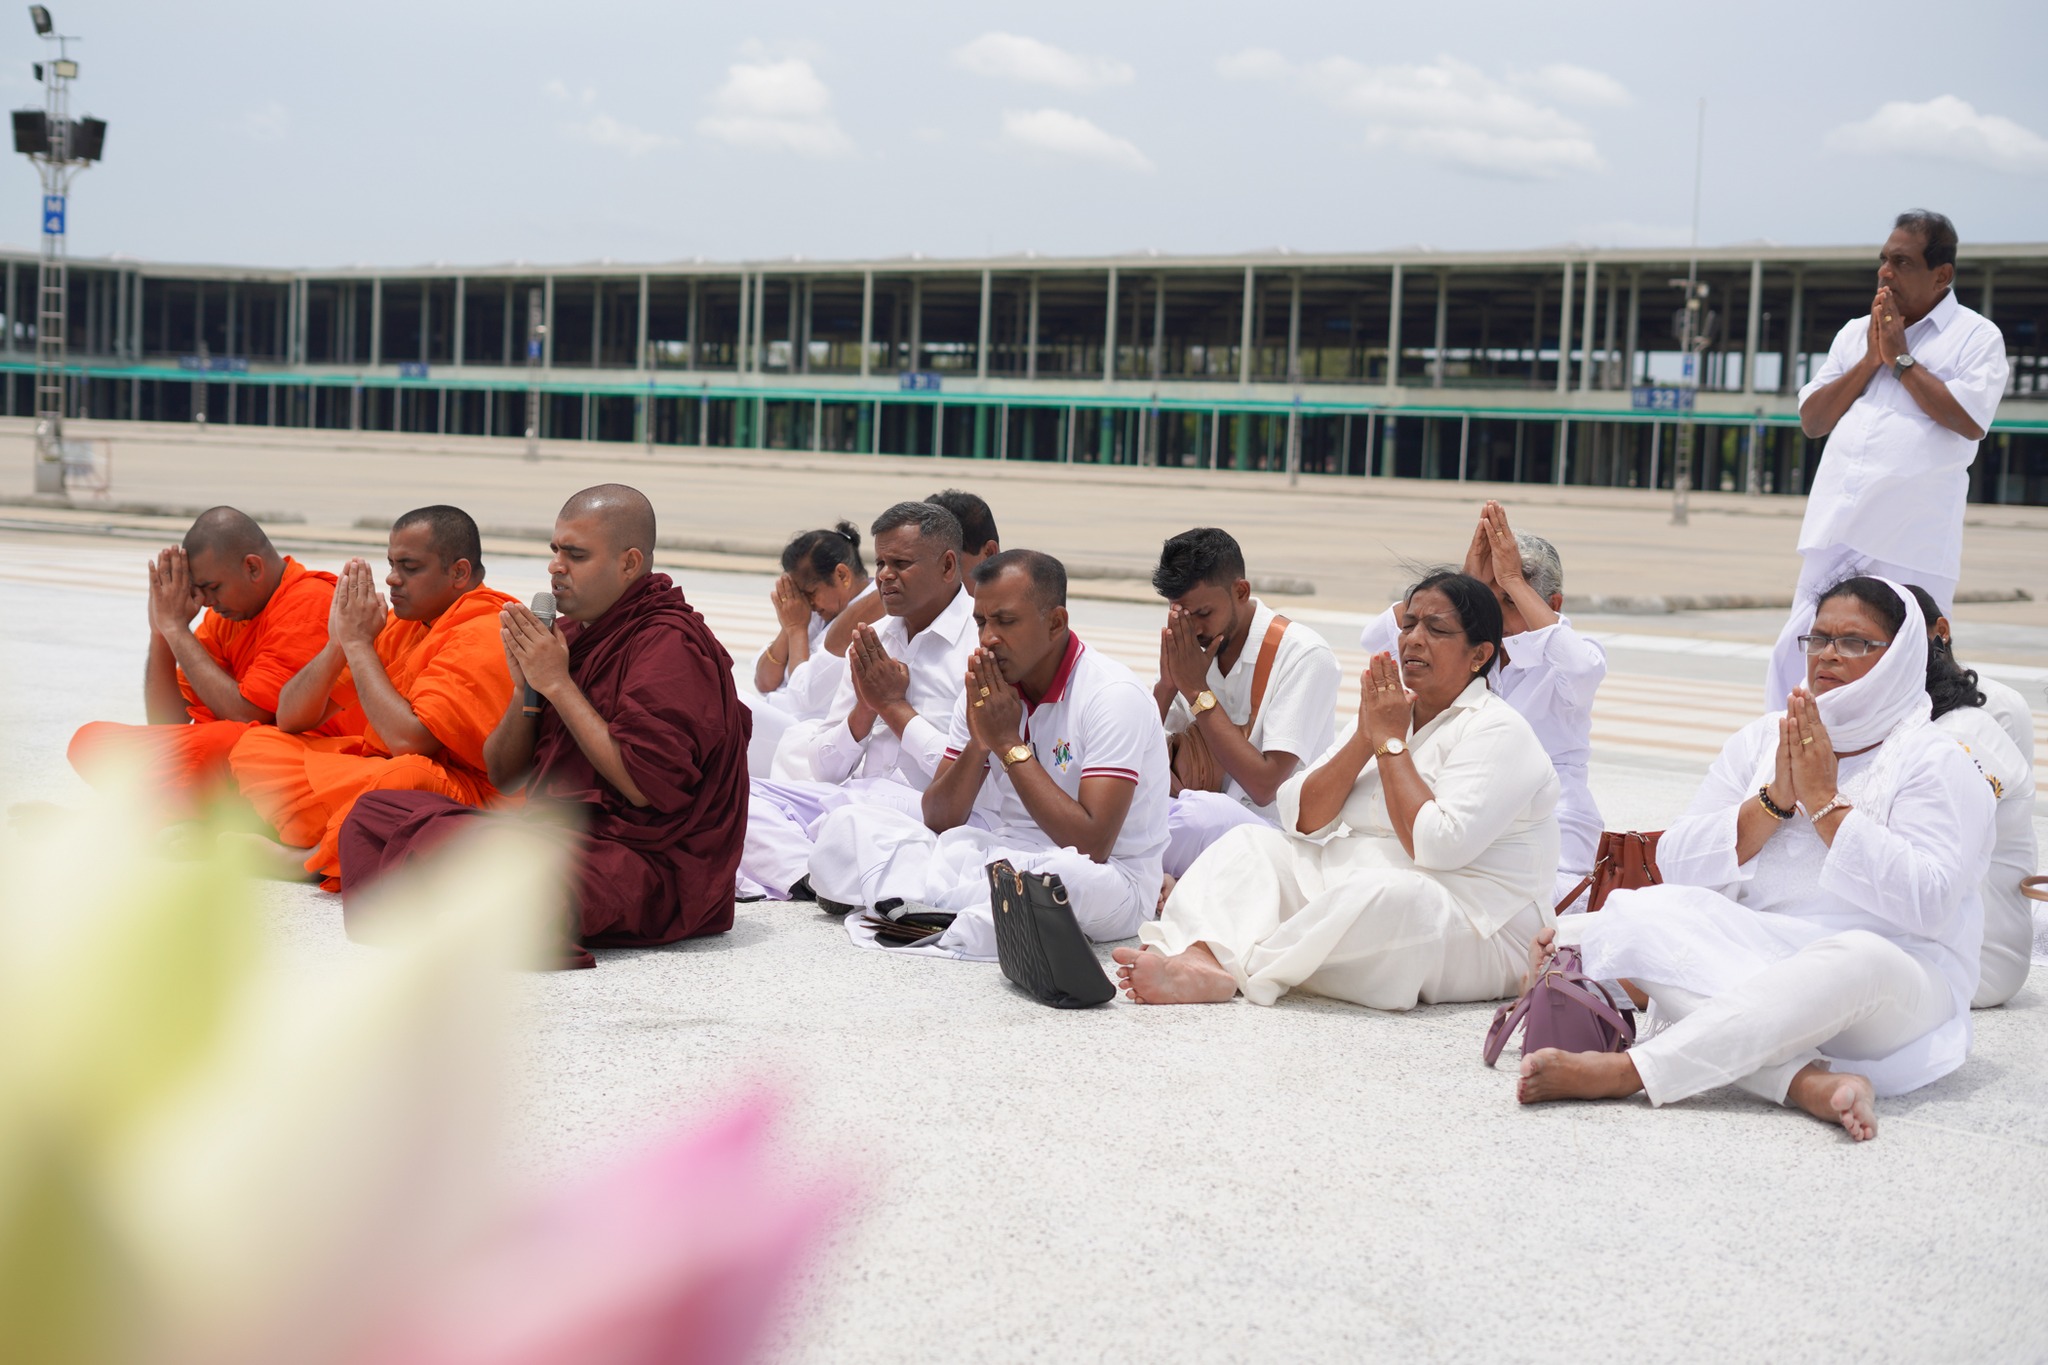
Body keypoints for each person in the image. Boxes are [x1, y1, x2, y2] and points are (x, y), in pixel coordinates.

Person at [1520, 577, 1995, 1142]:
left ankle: (1634, 1072)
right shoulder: (1762, 739)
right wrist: (1774, 802)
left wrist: (1825, 802)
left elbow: (1931, 904)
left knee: (1858, 956)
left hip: (1893, 981)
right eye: (1817, 639)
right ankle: (1801, 1082)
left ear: (1901, 656)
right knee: (1611, 921)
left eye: (1855, 642)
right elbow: (1676, 862)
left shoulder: (1935, 759)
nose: (1828, 656)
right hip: (1760, 950)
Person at [339, 485, 750, 968]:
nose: (557, 567)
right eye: (555, 551)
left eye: (575, 555)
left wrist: (557, 684)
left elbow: (643, 787)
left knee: (505, 872)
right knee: (374, 813)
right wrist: (524, 690)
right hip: (554, 839)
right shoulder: (571, 634)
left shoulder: (669, 646)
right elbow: (505, 775)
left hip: (645, 866)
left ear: (629, 563)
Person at [1118, 571, 1558, 1010]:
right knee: (1251, 845)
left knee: (1392, 898)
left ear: (1480, 654)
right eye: (1408, 625)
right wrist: (1366, 736)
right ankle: (1202, 959)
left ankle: (1232, 963)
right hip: (1351, 882)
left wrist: (1389, 744)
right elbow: (1300, 817)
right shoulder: (1388, 706)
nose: (1413, 640)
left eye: (1436, 629)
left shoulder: (1499, 729)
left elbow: (1437, 848)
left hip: (1472, 921)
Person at [806, 549, 1169, 961]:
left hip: (1110, 882)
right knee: (850, 824)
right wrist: (981, 739)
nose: (989, 637)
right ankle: (955, 912)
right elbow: (941, 818)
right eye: (981, 621)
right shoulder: (986, 688)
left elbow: (1093, 844)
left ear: (1055, 623)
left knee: (1055, 879)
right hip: (999, 854)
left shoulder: (1111, 695)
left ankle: (929, 910)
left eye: (1006, 621)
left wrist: (1008, 745)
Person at [1766, 210, 2010, 705]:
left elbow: (1969, 419)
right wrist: (1871, 359)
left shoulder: (1976, 336)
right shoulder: (1856, 333)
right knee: (1802, 657)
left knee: (1910, 668)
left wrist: (1900, 360)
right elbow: (1813, 420)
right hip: (1836, 532)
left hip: (1911, 540)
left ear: (1942, 275)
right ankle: (1786, 756)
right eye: (1883, 260)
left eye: (1901, 261)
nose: (1884, 272)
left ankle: (1904, 772)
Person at [226, 506, 516, 887]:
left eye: (410, 567)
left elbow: (410, 741)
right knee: (258, 746)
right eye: (392, 564)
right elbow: (290, 718)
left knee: (404, 775)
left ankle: (307, 860)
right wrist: (338, 644)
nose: (393, 579)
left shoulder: (483, 630)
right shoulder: (403, 625)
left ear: (459, 572)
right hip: (383, 777)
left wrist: (360, 646)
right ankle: (342, 835)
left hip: (466, 798)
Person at [1360, 501, 1604, 899]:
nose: (1491, 611)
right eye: (1485, 599)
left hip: (1549, 818)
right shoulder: (1467, 647)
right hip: (1463, 803)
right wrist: (1464, 581)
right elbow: (1373, 638)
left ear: (1552, 604)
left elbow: (1580, 668)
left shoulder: (1567, 653)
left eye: (1507, 600)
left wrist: (1513, 579)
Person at [738, 501, 979, 900]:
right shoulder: (875, 638)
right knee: (735, 799)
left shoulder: (978, 643)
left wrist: (894, 708)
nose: (885, 576)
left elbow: (970, 774)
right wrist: (864, 711)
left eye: (901, 564)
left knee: (851, 823)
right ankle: (812, 877)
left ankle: (835, 866)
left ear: (948, 566)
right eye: (881, 562)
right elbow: (825, 768)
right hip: (857, 798)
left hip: (929, 813)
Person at [67, 507, 339, 820]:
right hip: (233, 771)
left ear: (252, 567)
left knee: (228, 740)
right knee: (90, 741)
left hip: (298, 764)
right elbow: (167, 722)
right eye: (200, 591)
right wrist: (161, 633)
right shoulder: (223, 618)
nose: (207, 602)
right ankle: (172, 817)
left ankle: (151, 818)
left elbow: (248, 713)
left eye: (213, 587)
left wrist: (177, 630)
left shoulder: (310, 600)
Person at [1151, 527, 1340, 882]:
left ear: (1241, 591)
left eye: (1203, 613)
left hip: (1277, 839)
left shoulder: (1304, 655)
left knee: (1197, 817)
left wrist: (1196, 691)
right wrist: (1166, 685)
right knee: (1116, 802)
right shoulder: (1194, 645)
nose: (1193, 629)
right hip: (1201, 821)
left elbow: (1264, 786)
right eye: (1182, 615)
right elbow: (1139, 752)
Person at [1899, 585, 2035, 1008]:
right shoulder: (1891, 703)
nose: (1836, 655)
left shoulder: (1983, 718)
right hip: (1921, 929)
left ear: (1939, 631)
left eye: (1865, 640)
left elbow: (1936, 857)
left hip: (1974, 958)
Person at [746, 523, 874, 777]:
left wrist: (796, 629)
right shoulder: (819, 610)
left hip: (809, 738)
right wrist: (790, 624)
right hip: (785, 723)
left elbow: (802, 698)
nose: (808, 604)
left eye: (810, 593)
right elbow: (764, 680)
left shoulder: (864, 614)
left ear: (842, 576)